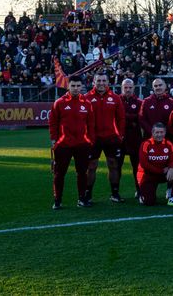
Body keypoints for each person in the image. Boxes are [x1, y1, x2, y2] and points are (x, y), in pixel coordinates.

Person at [50, 75, 94, 210]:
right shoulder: (59, 102)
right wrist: (54, 141)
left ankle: (81, 198)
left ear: (82, 87)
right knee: (59, 173)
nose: (75, 88)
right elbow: (53, 123)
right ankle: (57, 200)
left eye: (78, 86)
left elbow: (91, 124)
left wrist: (90, 141)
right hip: (63, 145)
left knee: (82, 173)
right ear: (68, 86)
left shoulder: (87, 103)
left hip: (82, 145)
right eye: (73, 86)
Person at [85, 71, 126, 203]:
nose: (101, 83)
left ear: (108, 82)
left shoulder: (115, 98)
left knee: (113, 165)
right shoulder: (86, 98)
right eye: (99, 81)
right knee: (91, 166)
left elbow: (121, 119)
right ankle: (88, 194)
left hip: (111, 138)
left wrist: (120, 135)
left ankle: (115, 193)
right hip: (93, 139)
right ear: (93, 82)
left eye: (104, 81)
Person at [137, 122, 173, 206]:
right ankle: (142, 195)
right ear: (152, 133)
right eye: (157, 132)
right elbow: (144, 164)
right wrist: (161, 171)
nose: (159, 135)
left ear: (165, 133)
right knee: (149, 202)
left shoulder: (168, 144)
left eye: (161, 132)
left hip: (162, 173)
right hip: (148, 175)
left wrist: (171, 168)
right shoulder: (146, 144)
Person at [118, 78, 143, 196]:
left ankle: (139, 190)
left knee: (137, 167)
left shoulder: (139, 102)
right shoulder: (116, 101)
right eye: (125, 88)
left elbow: (139, 119)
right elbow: (115, 118)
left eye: (130, 87)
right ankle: (115, 192)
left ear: (134, 88)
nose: (127, 90)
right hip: (118, 140)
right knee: (116, 167)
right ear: (121, 88)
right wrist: (131, 119)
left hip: (135, 139)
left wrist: (124, 117)